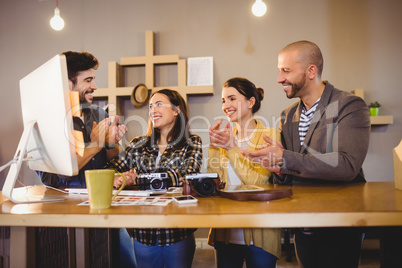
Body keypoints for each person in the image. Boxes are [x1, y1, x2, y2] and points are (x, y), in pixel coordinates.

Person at [243, 41, 371, 268]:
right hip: (302, 226)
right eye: (279, 70)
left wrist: (284, 159)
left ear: (311, 71)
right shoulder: (287, 114)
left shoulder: (349, 105)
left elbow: (347, 165)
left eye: (286, 70)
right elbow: (291, 169)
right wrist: (278, 169)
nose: (279, 79)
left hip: (339, 225)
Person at [37, 51, 136, 268]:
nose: (94, 86)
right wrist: (95, 146)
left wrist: (110, 143)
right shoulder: (48, 121)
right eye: (88, 80)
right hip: (66, 217)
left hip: (104, 209)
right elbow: (56, 174)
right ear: (68, 83)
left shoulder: (97, 113)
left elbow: (110, 158)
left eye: (93, 79)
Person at [107, 89, 203, 268]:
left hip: (177, 231)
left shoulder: (191, 142)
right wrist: (119, 178)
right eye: (151, 106)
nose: (152, 110)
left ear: (176, 110)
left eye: (159, 104)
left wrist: (139, 179)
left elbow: (188, 175)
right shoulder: (138, 144)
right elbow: (111, 169)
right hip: (144, 232)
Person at [207, 77, 281, 268]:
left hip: (261, 234)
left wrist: (232, 148)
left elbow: (259, 183)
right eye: (223, 100)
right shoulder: (224, 137)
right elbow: (213, 184)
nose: (226, 105)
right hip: (227, 232)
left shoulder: (269, 135)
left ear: (250, 102)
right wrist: (213, 147)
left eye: (232, 98)